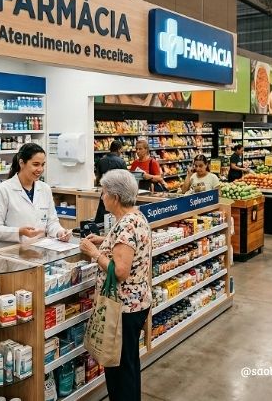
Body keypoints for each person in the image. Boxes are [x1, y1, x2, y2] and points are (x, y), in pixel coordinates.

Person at [79, 169, 151, 401]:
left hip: (123, 308)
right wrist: (105, 241)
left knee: (119, 371)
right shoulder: (135, 216)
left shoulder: (126, 225)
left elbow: (120, 271)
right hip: (137, 302)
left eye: (104, 192)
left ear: (115, 197)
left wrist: (94, 252)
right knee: (128, 363)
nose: (102, 197)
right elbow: (127, 245)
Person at [0, 143, 71, 249]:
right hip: (10, 252)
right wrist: (19, 231)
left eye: (42, 164)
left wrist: (60, 232)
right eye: (36, 164)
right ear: (22, 163)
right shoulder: (3, 190)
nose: (40, 169)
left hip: (37, 251)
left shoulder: (45, 189)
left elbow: (52, 222)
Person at [95, 140, 128, 222]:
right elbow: (126, 181)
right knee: (116, 219)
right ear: (119, 149)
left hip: (105, 193)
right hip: (118, 195)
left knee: (102, 218)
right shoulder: (121, 162)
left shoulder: (101, 161)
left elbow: (98, 179)